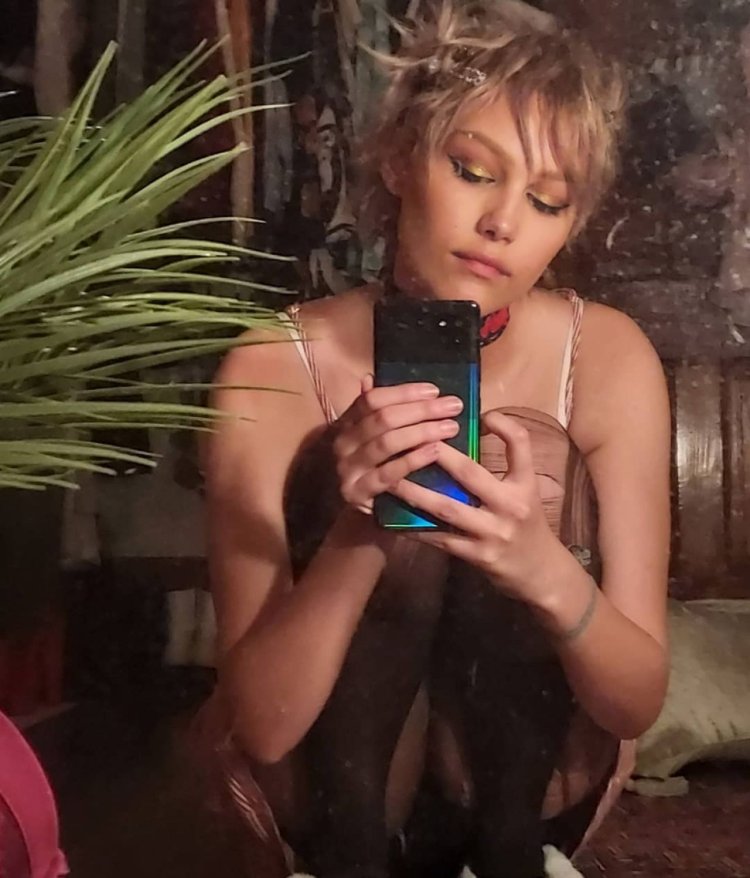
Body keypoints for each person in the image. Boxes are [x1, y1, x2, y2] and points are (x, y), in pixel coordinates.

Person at [201, 2, 671, 877]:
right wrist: (360, 529)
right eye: (472, 170)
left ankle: (504, 859)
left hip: (524, 804)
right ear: (398, 157)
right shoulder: (273, 364)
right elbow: (262, 727)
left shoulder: (607, 357)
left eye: (547, 201)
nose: (503, 222)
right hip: (330, 803)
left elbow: (634, 702)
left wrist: (541, 568)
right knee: (386, 478)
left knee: (528, 457)